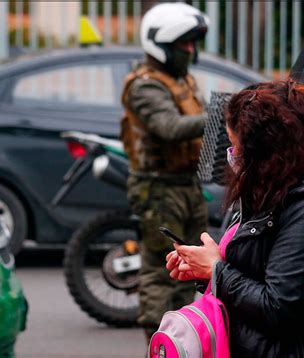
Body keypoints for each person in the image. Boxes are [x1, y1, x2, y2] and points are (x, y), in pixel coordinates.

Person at [166, 80, 304, 356]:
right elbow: (257, 269)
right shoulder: (278, 185)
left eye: (236, 148)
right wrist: (205, 270)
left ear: (267, 152)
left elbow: (277, 306)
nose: (232, 157)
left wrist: (216, 270)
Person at [120, 3, 209, 341]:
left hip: (187, 185)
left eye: (191, 43)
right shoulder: (145, 86)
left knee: (191, 269)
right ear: (163, 46)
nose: (189, 50)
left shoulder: (181, 79)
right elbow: (169, 127)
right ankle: (158, 344)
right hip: (159, 190)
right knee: (161, 271)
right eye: (182, 44)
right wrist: (224, 111)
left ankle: (182, 341)